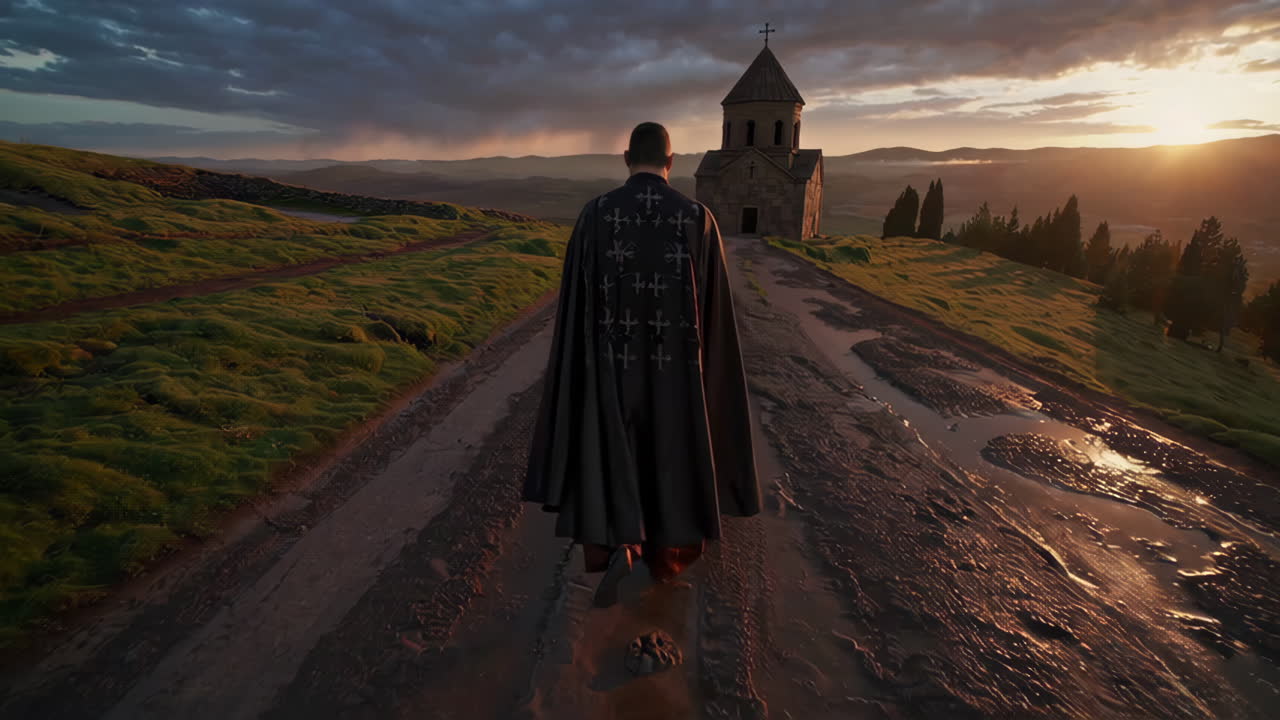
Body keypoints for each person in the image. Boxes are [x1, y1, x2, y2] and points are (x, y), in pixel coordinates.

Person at [522, 121, 761, 608]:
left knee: (612, 449)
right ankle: (663, 553)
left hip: (611, 365)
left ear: (627, 158)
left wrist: (581, 367)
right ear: (671, 162)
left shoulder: (596, 214)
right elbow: (714, 311)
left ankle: (619, 542)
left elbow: (576, 306)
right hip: (678, 371)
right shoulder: (697, 218)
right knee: (670, 453)